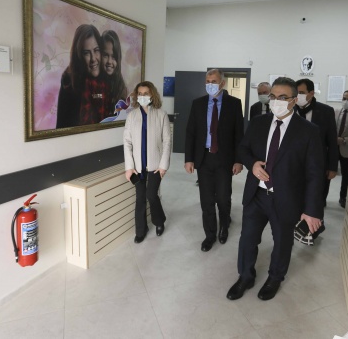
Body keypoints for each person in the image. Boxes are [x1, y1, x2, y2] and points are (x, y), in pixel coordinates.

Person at [227, 77, 323, 301]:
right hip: (256, 194)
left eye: (282, 97)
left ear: (294, 100)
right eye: (273, 96)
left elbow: (314, 174)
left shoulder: (308, 131)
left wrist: (311, 210)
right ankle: (245, 276)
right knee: (247, 239)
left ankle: (275, 277)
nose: (276, 101)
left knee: (282, 241)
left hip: (286, 198)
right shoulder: (258, 123)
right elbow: (243, 149)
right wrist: (252, 164)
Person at [185, 69, 244, 252]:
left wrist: (239, 160)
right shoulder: (198, 104)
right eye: (208, 81)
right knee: (207, 200)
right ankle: (210, 235)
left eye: (214, 81)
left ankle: (224, 226)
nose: (210, 84)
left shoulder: (234, 104)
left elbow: (239, 135)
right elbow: (191, 133)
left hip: (225, 159)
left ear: (222, 83)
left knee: (224, 198)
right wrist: (189, 159)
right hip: (204, 158)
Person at [123, 81, 171, 243]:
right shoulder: (132, 116)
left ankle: (159, 221)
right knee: (140, 198)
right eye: (140, 94)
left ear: (152, 95)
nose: (142, 96)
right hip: (137, 166)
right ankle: (141, 230)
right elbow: (127, 142)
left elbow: (167, 141)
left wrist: (163, 166)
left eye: (146, 93)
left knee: (152, 195)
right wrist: (129, 167)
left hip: (156, 164)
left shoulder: (161, 114)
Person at [295, 78, 338, 208]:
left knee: (316, 198)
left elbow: (332, 141)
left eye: (301, 93)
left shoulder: (326, 111)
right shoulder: (290, 109)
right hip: (294, 162)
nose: (298, 96)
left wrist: (332, 167)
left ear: (312, 93)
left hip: (317, 163)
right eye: (296, 92)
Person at [56, 24, 109, 127]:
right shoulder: (69, 81)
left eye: (96, 50)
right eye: (86, 53)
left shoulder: (108, 76)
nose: (93, 59)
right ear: (79, 55)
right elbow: (61, 126)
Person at [101, 30, 129, 114]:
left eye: (113, 57)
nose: (109, 61)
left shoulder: (121, 88)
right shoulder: (92, 83)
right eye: (105, 55)